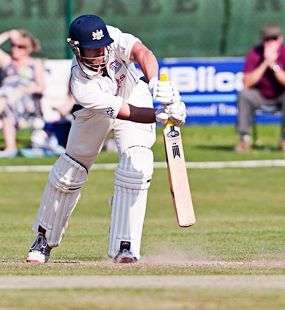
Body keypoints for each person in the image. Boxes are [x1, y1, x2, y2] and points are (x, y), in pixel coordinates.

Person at [25, 14, 186, 264]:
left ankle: (125, 245)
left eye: (101, 47)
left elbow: (142, 52)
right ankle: (44, 238)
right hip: (97, 112)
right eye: (92, 50)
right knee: (68, 173)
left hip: (134, 94)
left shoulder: (111, 36)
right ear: (77, 50)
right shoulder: (81, 85)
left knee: (137, 163)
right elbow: (125, 112)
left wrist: (154, 84)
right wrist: (159, 115)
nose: (100, 54)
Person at [0, 29, 45, 157]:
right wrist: (8, 34)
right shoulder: (7, 61)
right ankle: (10, 148)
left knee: (6, 94)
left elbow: (40, 87)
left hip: (27, 102)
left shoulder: (35, 63)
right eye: (13, 45)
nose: (15, 49)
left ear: (28, 49)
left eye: (20, 46)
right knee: (6, 98)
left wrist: (24, 89)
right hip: (8, 103)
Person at [234, 23, 285, 153]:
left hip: (281, 95)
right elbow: (246, 83)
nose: (270, 43)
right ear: (262, 40)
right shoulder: (254, 53)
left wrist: (273, 65)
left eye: (273, 39)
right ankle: (244, 139)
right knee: (244, 94)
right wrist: (265, 63)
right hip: (260, 95)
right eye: (267, 39)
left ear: (280, 39)